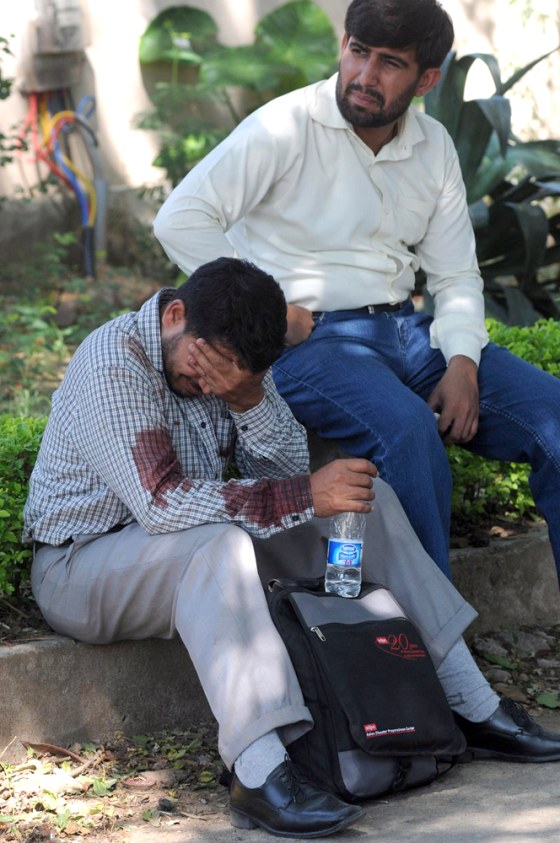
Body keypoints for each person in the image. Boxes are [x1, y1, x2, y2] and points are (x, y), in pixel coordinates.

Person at [24, 257, 560, 840]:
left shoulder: (237, 358)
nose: (209, 385)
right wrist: (305, 493)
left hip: (191, 543)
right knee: (219, 547)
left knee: (366, 498)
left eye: (231, 376)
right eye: (206, 370)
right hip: (82, 566)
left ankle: (471, 705)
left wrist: (248, 397)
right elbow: (162, 505)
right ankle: (260, 774)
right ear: (175, 315)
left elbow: (277, 471)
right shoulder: (114, 360)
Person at [153, 0, 560, 587]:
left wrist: (465, 363)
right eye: (357, 51)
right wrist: (268, 311)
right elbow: (180, 218)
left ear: (427, 80)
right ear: (343, 44)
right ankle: (430, 647)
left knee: (552, 419)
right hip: (311, 344)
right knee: (408, 433)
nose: (365, 76)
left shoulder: (433, 145)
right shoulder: (284, 126)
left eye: (389, 63)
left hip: (408, 334)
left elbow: (454, 277)